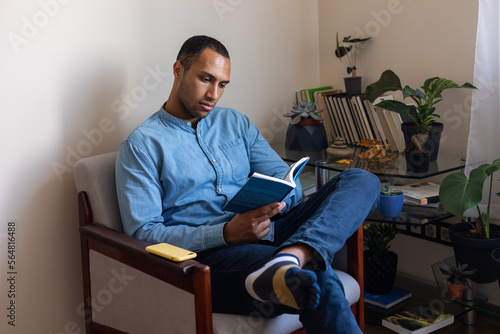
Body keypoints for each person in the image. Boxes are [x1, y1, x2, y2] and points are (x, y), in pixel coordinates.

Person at [115, 35, 380, 333]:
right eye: (206, 79)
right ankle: (290, 263)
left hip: (274, 229)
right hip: (213, 258)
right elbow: (144, 233)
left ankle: (292, 255)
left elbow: (285, 179)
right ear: (178, 70)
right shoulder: (142, 146)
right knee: (315, 278)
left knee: (362, 179)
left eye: (222, 84)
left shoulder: (235, 124)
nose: (214, 94)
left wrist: (276, 202)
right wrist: (227, 232)